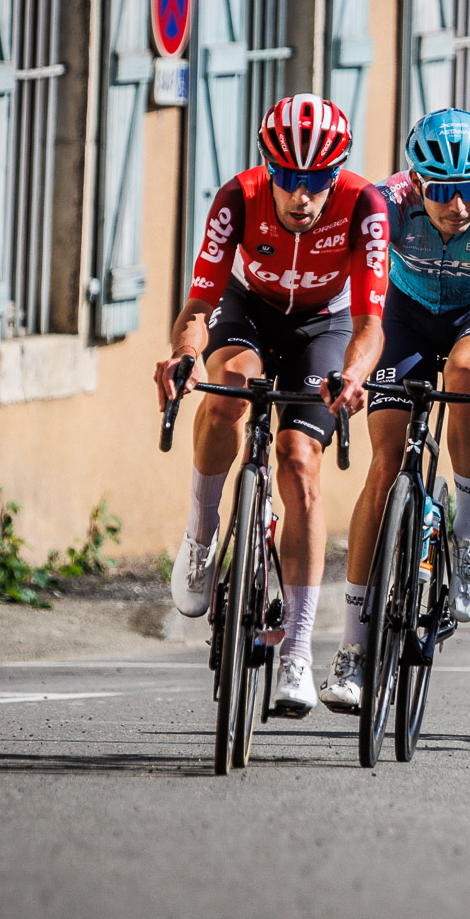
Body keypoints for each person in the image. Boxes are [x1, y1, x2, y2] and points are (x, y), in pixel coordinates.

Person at [153, 94, 387, 717]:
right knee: (227, 393)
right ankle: (203, 532)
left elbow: (370, 323)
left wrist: (356, 375)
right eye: (288, 179)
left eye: (315, 181)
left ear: (335, 175)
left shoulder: (366, 207)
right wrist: (184, 355)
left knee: (299, 458)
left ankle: (298, 653)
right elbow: (199, 307)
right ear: (268, 170)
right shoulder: (236, 199)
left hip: (326, 326)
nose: (301, 197)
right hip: (249, 311)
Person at [318, 108, 470, 713]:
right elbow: (350, 297)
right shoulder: (385, 205)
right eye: (442, 191)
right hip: (404, 315)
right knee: (385, 466)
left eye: (469, 190)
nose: (458, 206)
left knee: (467, 378)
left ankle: (469, 526)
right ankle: (352, 650)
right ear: (417, 181)